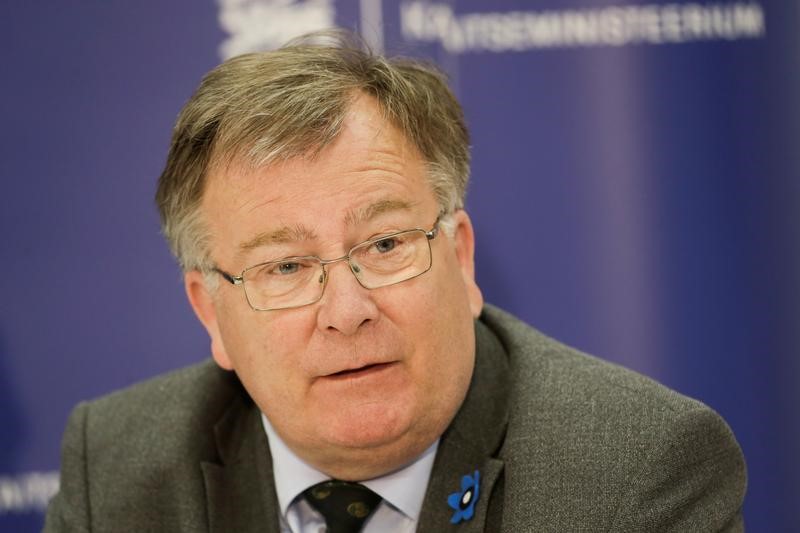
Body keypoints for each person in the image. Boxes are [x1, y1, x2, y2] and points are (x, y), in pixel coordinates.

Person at [45, 30, 746, 532]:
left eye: (384, 244)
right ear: (211, 313)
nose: (347, 311)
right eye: (285, 266)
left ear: (462, 259)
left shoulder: (636, 471)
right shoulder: (113, 469)